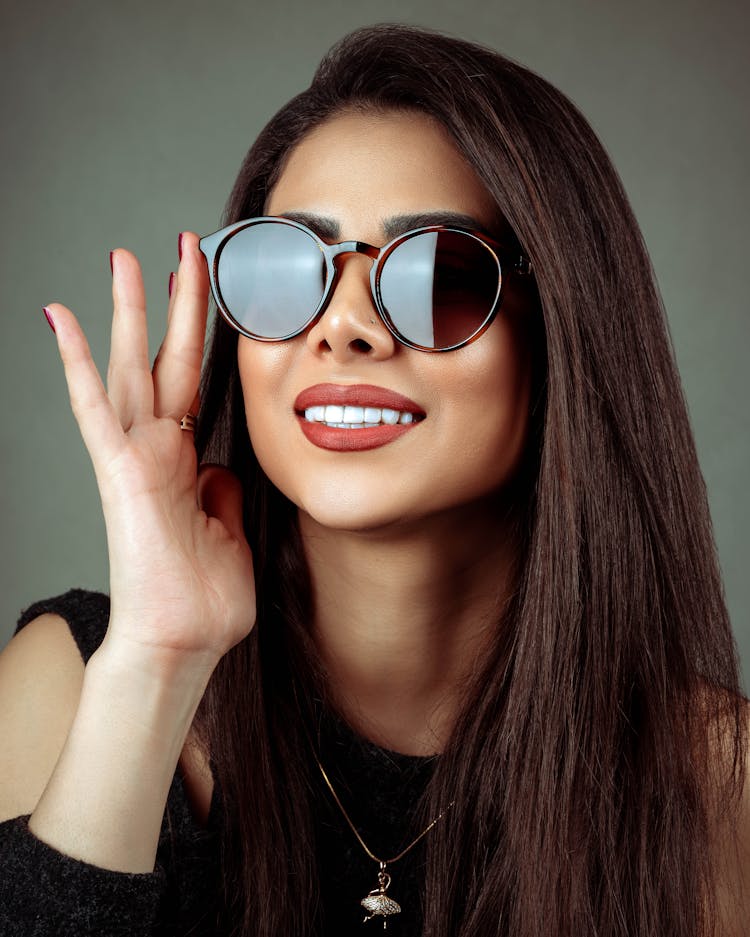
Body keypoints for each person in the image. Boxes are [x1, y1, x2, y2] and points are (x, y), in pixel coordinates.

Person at [0, 21, 747, 937]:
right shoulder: (69, 685)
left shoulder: (721, 785)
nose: (344, 325)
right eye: (286, 270)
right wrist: (155, 667)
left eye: (440, 273)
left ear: (563, 338)